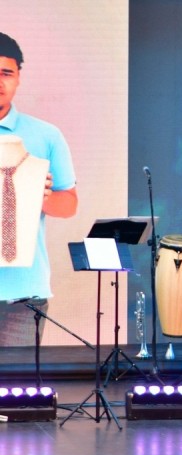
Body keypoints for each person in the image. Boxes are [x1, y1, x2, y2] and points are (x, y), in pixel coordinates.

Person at [0, 32, 78, 346]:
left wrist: (38, 195)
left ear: (18, 77)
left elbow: (69, 204)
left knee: (17, 378)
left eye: (6, 73)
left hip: (23, 292)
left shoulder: (46, 135)